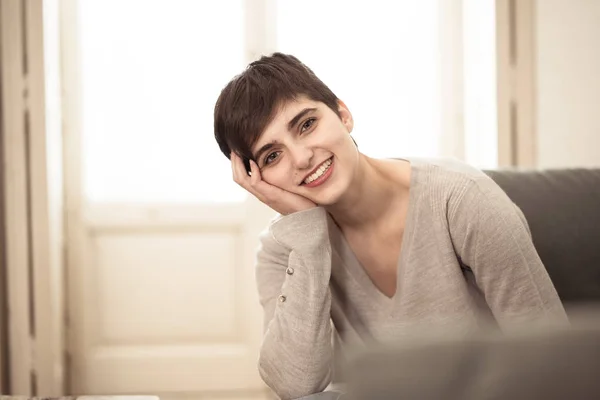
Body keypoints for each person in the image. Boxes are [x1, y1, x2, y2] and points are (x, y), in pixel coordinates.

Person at [213, 53, 568, 400]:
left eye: (306, 124)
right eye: (272, 156)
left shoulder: (460, 200)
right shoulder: (284, 247)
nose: (302, 158)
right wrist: (308, 239)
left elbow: (554, 361)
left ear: (343, 113)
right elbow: (295, 385)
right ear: (254, 178)